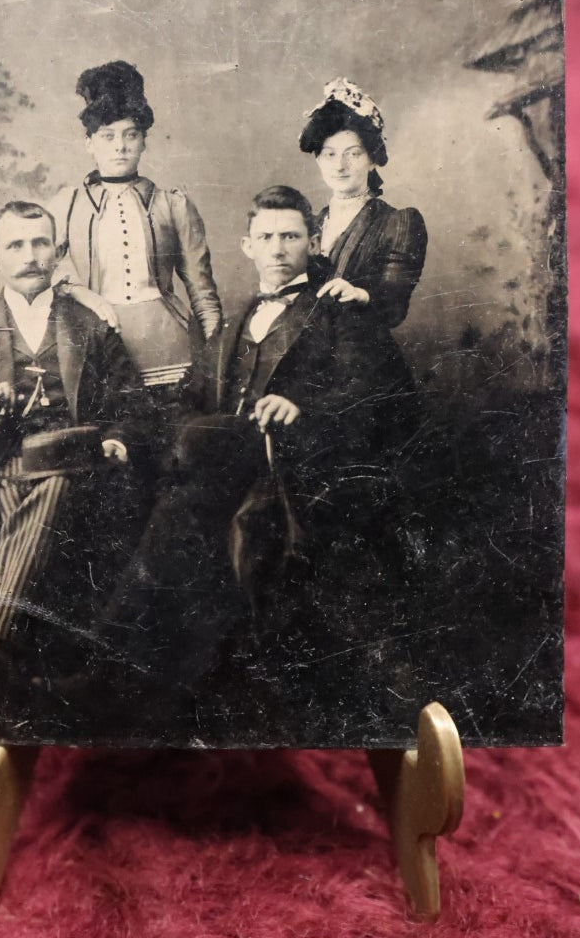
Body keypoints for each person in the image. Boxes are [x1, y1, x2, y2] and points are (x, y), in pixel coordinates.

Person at [105, 184, 416, 702]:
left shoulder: (339, 312)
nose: (277, 248)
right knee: (176, 469)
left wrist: (303, 408)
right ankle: (134, 676)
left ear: (314, 243)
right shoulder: (231, 325)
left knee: (188, 483)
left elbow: (370, 394)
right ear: (247, 245)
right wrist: (122, 436)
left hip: (297, 466)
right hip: (225, 471)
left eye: (291, 236)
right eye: (266, 236)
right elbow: (189, 398)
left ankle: (115, 675)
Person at [0, 200, 151, 705]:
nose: (30, 255)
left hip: (75, 465)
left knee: (56, 480)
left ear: (58, 252)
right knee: (39, 493)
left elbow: (135, 406)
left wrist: (117, 439)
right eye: (15, 244)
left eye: (40, 243)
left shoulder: (90, 324)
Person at [50, 60, 222, 399]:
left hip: (169, 345)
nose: (120, 147)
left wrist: (218, 357)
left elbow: (202, 291)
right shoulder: (66, 204)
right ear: (89, 142)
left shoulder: (173, 204)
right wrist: (77, 291)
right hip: (99, 345)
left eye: (131, 135)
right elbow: (42, 277)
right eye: (108, 136)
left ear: (144, 140)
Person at [299, 77, 427, 330]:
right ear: (319, 160)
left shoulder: (398, 222)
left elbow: (394, 307)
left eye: (353, 154)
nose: (340, 166)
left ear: (372, 160)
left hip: (363, 360)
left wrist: (361, 295)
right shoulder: (311, 224)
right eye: (330, 154)